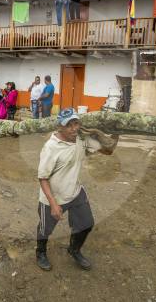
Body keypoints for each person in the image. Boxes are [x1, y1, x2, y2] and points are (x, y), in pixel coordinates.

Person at [35, 108, 119, 271]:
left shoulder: (81, 138)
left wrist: (116, 131)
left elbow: (108, 150)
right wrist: (53, 204)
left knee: (86, 224)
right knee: (45, 229)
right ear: (60, 127)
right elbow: (43, 178)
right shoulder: (51, 147)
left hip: (75, 192)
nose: (74, 128)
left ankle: (74, 250)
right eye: (69, 125)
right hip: (53, 197)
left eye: (76, 123)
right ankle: (40, 252)